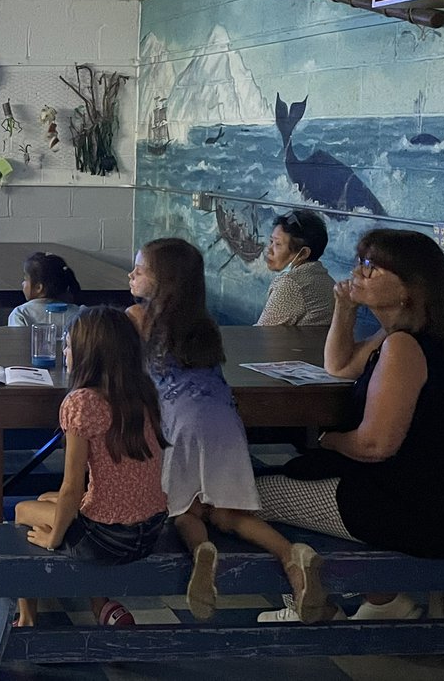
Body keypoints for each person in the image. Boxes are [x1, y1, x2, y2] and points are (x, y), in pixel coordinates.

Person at [127, 238, 326, 623]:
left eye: (140, 270)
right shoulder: (205, 325)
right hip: (226, 423)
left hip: (179, 427)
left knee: (183, 508)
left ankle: (202, 551)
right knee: (229, 513)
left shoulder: (139, 318)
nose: (131, 275)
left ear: (163, 281)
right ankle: (291, 557)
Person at [255, 229, 444, 622]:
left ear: (409, 289)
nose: (359, 272)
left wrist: (330, 441)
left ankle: (311, 607)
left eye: (372, 267)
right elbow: (339, 366)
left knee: (244, 498)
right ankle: (383, 600)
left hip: (407, 508)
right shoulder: (400, 336)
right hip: (420, 497)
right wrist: (344, 307)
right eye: (361, 262)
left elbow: (375, 446)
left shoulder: (403, 348)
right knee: (281, 477)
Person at [13, 306, 169, 628]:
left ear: (88, 353)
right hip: (150, 529)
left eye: (68, 345)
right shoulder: (142, 393)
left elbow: (73, 487)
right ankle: (102, 606)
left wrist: (53, 539)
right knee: (45, 498)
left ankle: (27, 617)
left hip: (108, 537)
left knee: (22, 513)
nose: (65, 352)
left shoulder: (82, 403)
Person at [256, 209, 335, 326]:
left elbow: (262, 333)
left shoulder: (291, 284)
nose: (269, 249)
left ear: (303, 253)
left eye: (277, 244)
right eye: (271, 241)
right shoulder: (327, 281)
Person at [7, 252, 82, 327]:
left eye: (25, 279)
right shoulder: (79, 312)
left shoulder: (20, 313)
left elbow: (17, 338)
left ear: (38, 288)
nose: (23, 283)